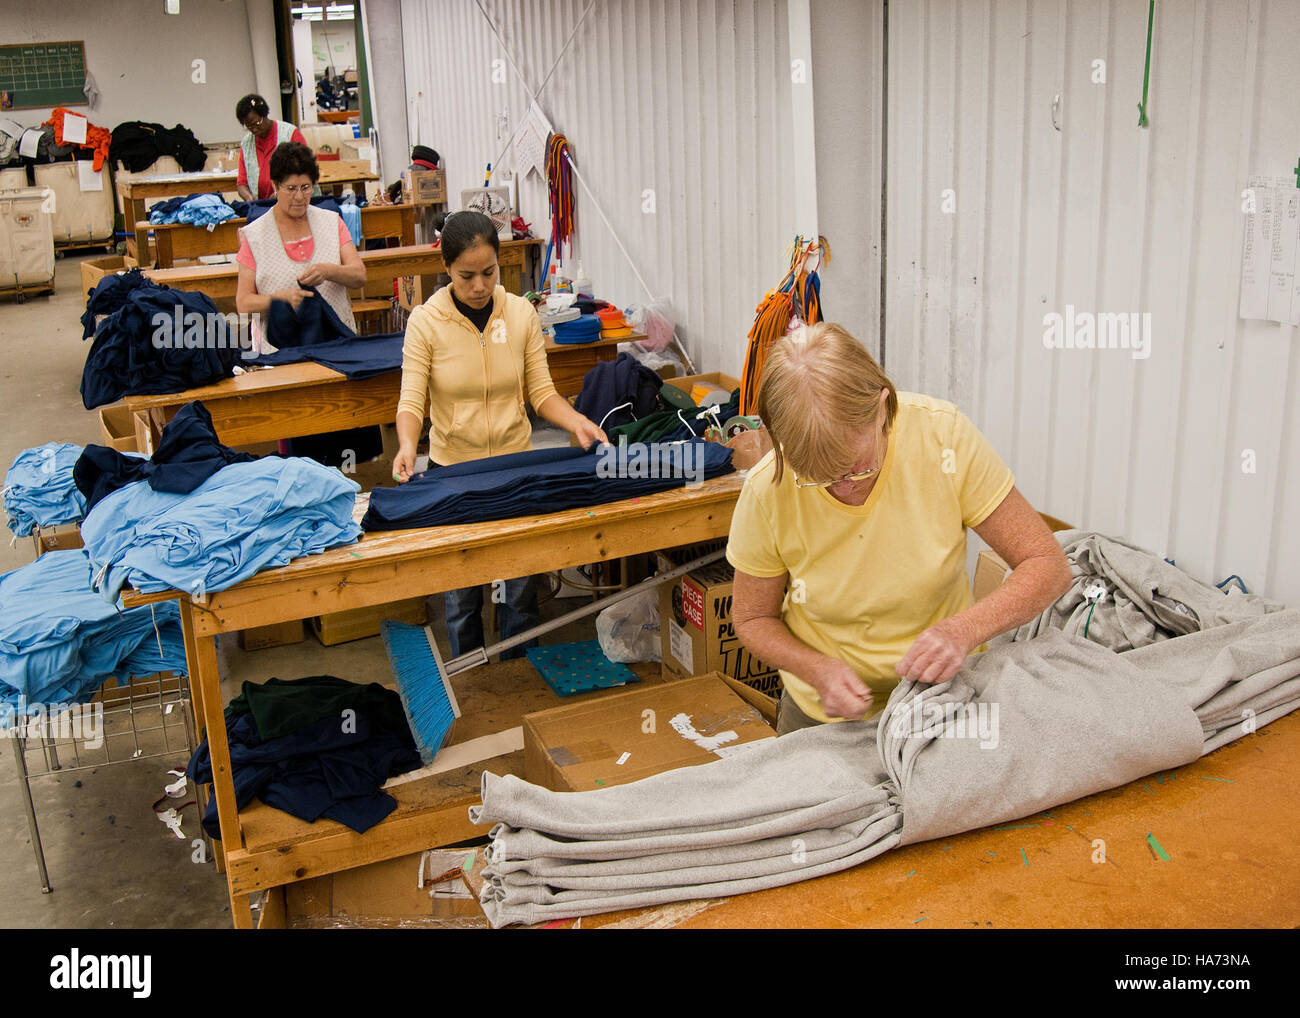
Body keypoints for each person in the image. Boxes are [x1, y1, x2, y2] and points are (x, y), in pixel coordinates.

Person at [727, 322, 1072, 735]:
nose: (846, 489)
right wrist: (816, 669)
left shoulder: (942, 437)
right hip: (826, 716)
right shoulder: (769, 486)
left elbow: (1047, 564)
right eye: (820, 478)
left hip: (946, 700)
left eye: (858, 468)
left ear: (882, 408)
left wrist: (962, 630)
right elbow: (752, 618)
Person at [393, 210, 608, 659]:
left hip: (515, 467)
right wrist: (408, 447)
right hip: (454, 472)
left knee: (521, 590)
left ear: (500, 263)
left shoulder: (520, 313)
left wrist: (576, 422)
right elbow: (412, 401)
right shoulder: (426, 323)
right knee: (461, 597)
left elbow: (541, 391)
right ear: (446, 268)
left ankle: (521, 676)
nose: (479, 286)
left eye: (488, 272)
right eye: (466, 275)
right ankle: (472, 681)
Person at [234, 141, 377, 466]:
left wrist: (330, 271)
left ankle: (348, 486)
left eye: (305, 188)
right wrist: (279, 299)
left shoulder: (331, 222)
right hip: (287, 356)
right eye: (290, 189)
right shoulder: (254, 236)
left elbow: (359, 276)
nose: (299, 196)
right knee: (301, 440)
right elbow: (243, 302)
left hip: (337, 349)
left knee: (344, 437)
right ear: (274, 186)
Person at [234, 93, 307, 202]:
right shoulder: (246, 144)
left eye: (256, 123)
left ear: (265, 115)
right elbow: (241, 183)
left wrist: (283, 192)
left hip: (296, 203)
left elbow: (305, 172)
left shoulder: (290, 134)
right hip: (265, 207)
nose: (253, 129)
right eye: (248, 126)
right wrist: (248, 197)